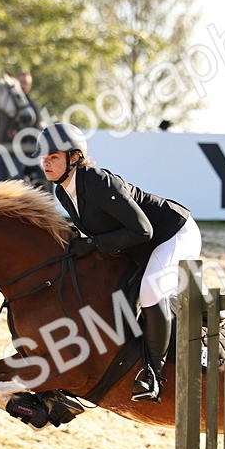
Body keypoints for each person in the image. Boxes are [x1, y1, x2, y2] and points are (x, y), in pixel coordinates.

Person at [33, 122, 201, 402]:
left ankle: (154, 375)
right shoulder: (62, 191)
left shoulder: (98, 181)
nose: (46, 163)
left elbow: (143, 230)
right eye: (44, 158)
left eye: (53, 157)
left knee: (150, 292)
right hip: (142, 245)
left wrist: (93, 244)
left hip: (174, 233)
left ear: (75, 157)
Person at [0, 71, 41, 182]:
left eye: (26, 83)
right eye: (21, 82)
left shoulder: (32, 107)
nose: (23, 85)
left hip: (18, 154)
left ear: (30, 86)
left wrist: (20, 134)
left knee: (13, 185)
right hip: (0, 150)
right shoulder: (5, 102)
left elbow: (36, 130)